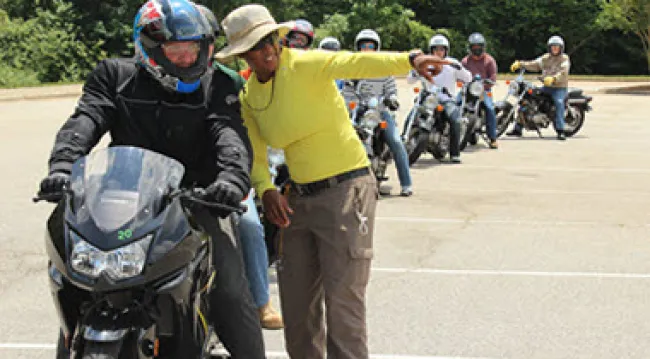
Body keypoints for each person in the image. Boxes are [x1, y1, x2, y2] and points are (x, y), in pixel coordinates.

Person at [215, 4, 450, 358]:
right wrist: (265, 190)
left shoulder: (305, 64)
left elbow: (356, 62)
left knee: (343, 306)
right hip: (298, 199)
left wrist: (411, 58)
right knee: (297, 310)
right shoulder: (251, 96)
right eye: (255, 46)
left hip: (346, 190)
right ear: (241, 54)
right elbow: (257, 153)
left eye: (270, 41)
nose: (267, 51)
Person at [37, 1, 266, 358]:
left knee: (230, 292)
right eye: (178, 50)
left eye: (196, 49)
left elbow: (229, 134)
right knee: (81, 284)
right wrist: (62, 168)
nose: (189, 59)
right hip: (122, 202)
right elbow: (85, 120)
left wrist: (232, 180)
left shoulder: (218, 84)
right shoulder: (113, 76)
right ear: (151, 49)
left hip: (196, 203)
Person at [342, 29, 413, 196]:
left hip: (380, 112)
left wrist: (392, 99)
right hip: (360, 113)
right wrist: (352, 106)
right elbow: (347, 93)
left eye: (370, 46)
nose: (367, 49)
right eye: (364, 46)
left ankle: (406, 183)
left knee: (396, 142)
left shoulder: (384, 69)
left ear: (376, 48)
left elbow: (391, 90)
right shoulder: (351, 70)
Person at [407, 34, 471, 163]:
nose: (439, 52)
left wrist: (460, 69)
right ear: (431, 50)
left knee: (455, 120)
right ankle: (403, 141)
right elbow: (409, 80)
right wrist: (414, 71)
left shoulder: (452, 63)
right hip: (428, 97)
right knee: (412, 115)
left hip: (447, 99)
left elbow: (468, 78)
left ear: (446, 50)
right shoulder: (425, 62)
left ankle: (455, 153)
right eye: (436, 49)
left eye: (442, 49)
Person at [508, 35, 570, 140]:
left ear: (561, 48)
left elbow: (563, 72)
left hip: (559, 88)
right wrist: (520, 64)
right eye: (553, 46)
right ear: (549, 47)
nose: (555, 49)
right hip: (546, 87)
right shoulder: (546, 58)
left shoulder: (564, 58)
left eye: (557, 47)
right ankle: (518, 128)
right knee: (527, 98)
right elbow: (534, 64)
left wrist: (554, 79)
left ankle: (560, 130)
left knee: (559, 103)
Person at [461, 32, 499, 149]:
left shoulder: (489, 61)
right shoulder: (465, 61)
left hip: (483, 90)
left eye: (479, 47)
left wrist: (488, 82)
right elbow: (460, 74)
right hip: (468, 89)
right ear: (470, 48)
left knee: (490, 108)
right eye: (474, 47)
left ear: (483, 47)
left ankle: (493, 138)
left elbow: (493, 77)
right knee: (456, 104)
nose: (476, 49)